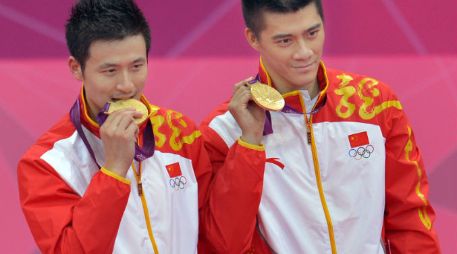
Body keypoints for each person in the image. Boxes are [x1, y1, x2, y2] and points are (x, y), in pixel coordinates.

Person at [200, 0, 441, 253]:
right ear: (253, 39)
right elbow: (224, 244)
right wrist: (249, 143)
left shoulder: (375, 104)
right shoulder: (224, 131)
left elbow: (410, 215)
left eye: (312, 33)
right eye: (285, 41)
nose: (304, 52)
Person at [17, 0, 213, 253]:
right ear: (76, 68)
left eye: (137, 66)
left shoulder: (179, 132)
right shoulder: (46, 163)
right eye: (110, 71)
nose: (127, 86)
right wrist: (114, 172)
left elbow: (214, 237)